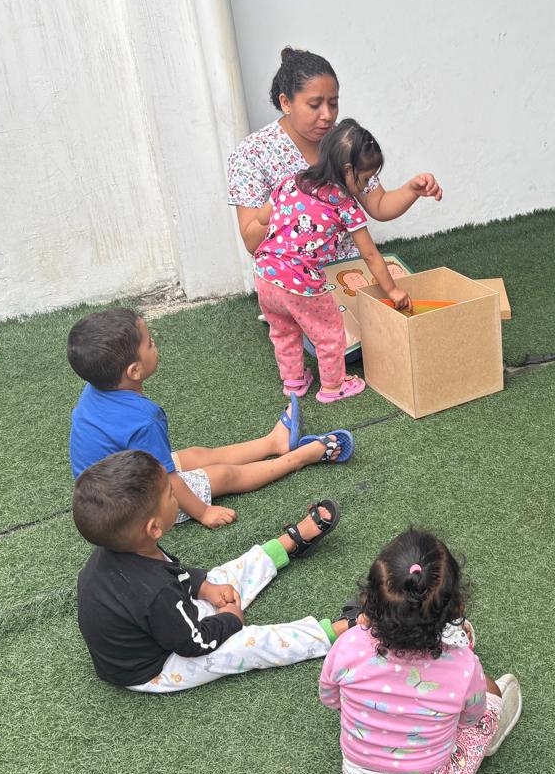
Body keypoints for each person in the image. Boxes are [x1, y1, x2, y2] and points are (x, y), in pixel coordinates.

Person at [74, 449, 350, 692]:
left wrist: (205, 588)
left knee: (220, 578)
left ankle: (286, 545)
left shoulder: (124, 550)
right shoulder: (154, 592)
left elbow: (173, 573)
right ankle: (330, 632)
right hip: (157, 666)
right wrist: (230, 619)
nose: (177, 493)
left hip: (165, 623)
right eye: (170, 493)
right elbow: (194, 643)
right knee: (245, 645)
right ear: (154, 528)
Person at [68, 308, 353, 529]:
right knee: (223, 475)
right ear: (134, 371)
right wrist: (203, 512)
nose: (155, 344)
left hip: (115, 483)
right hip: (132, 509)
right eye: (150, 343)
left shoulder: (96, 388)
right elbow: (167, 479)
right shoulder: (143, 420)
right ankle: (297, 458)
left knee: (196, 455)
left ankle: (273, 443)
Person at [319, 528, 523, 774]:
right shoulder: (464, 666)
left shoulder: (348, 645)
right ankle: (490, 734)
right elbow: (469, 719)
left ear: (368, 601)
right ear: (456, 609)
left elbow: (330, 698)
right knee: (491, 690)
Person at [252, 119, 416, 403]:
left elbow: (261, 217)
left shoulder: (291, 182)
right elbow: (370, 255)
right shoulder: (345, 205)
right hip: (301, 282)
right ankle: (333, 385)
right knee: (329, 332)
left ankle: (293, 381)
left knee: (283, 330)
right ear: (348, 170)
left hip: (265, 274)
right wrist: (392, 290)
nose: (365, 187)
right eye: (365, 179)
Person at [228, 47, 442, 262]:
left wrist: (411, 190)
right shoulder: (252, 153)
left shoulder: (343, 141)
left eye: (333, 104)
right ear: (286, 103)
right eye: (314, 105)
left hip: (350, 270)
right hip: (293, 276)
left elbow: (379, 204)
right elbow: (252, 241)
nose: (327, 115)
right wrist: (293, 203)